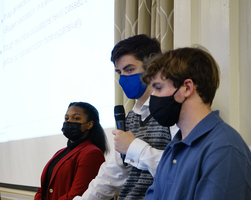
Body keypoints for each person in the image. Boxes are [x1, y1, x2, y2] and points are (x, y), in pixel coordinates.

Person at [74, 34, 177, 200]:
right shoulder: (129, 119)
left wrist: (135, 148)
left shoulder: (173, 112)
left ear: (153, 68)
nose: (123, 78)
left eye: (129, 70)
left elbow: (180, 169)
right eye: (119, 72)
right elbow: (111, 174)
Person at [141, 47, 251, 199]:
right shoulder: (174, 147)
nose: (154, 97)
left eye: (159, 88)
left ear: (187, 88)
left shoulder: (224, 148)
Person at [34, 102, 109, 200]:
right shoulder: (60, 152)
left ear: (90, 124)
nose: (69, 121)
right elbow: (44, 187)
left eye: (76, 118)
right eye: (66, 118)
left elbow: (78, 194)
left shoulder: (92, 153)